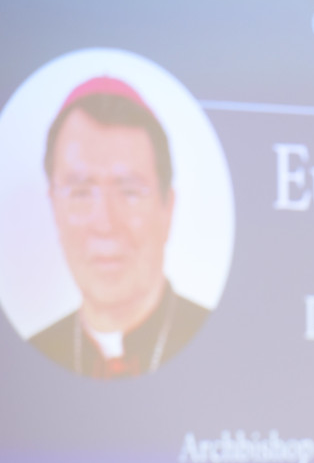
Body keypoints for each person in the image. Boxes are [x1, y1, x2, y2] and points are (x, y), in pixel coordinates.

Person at [29, 76, 208, 378]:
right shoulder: (26, 360)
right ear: (54, 209)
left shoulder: (221, 342)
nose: (105, 224)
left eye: (129, 192)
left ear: (168, 208)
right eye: (81, 193)